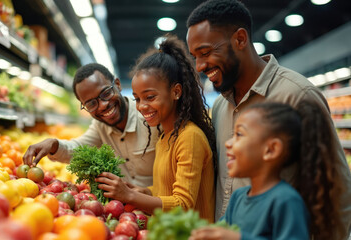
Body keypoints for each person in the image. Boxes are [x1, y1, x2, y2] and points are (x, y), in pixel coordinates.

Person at [186, 0, 351, 237]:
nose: (200, 66)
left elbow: (337, 194)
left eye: (205, 53)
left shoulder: (296, 95)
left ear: (240, 39)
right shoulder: (221, 106)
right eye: (195, 57)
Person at [96, 35, 216, 222]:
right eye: (137, 99)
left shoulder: (190, 137)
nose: (141, 106)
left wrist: (130, 196)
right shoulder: (164, 137)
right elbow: (165, 191)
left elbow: (182, 205)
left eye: (150, 97)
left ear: (176, 92)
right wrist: (142, 191)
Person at [189, 101, 344, 240]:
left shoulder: (285, 200)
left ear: (271, 149)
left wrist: (237, 238)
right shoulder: (238, 197)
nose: (228, 143)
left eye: (239, 134)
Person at [23, 63, 159, 187]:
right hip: (127, 210)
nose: (103, 105)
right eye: (91, 104)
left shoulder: (152, 118)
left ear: (117, 85)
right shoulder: (100, 126)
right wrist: (53, 144)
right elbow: (78, 150)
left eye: (106, 93)